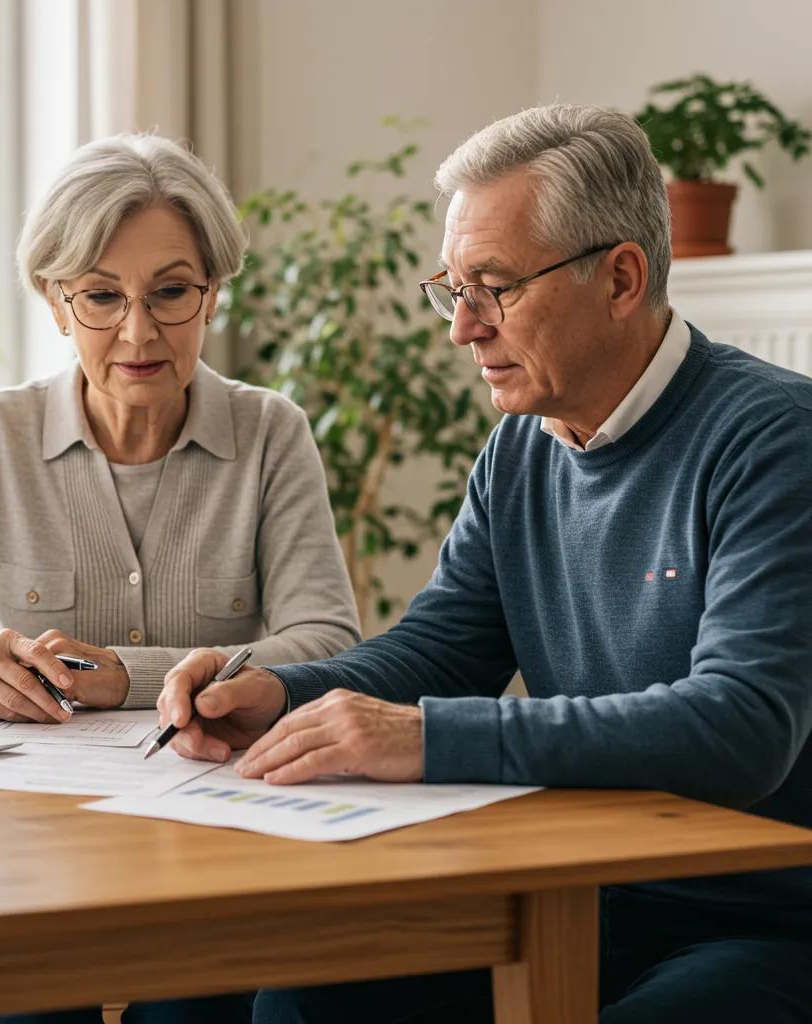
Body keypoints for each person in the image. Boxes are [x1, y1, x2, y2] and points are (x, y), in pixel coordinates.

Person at [156, 105, 812, 1022]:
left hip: (762, 920)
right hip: (573, 892)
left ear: (621, 278)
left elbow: (742, 726)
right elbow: (441, 648)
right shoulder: (523, 448)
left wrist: (426, 737)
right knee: (302, 1005)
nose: (463, 328)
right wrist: (281, 692)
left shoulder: (776, 438)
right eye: (453, 287)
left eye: (494, 287)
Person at [0, 133, 359, 724]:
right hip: (26, 799)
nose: (137, 332)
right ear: (56, 305)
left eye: (171, 291)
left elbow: (327, 643)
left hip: (207, 785)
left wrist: (130, 676)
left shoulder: (270, 433)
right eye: (102, 296)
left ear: (213, 297)